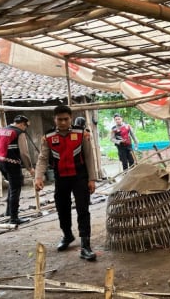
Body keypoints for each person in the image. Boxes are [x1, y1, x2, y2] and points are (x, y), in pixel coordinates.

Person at [34, 105, 97, 261]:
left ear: (71, 119)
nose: (63, 122)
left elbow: (89, 157)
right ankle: (67, 235)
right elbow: (42, 158)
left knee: (83, 209)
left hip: (80, 177)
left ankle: (85, 245)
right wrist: (38, 177)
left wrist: (91, 179)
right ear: (55, 119)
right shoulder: (48, 137)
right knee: (62, 208)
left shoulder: (82, 133)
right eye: (59, 119)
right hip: (60, 178)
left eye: (66, 119)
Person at [0, 114, 35, 224]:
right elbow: (24, 153)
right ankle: (14, 218)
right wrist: (30, 167)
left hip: (0, 161)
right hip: (11, 163)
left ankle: (9, 211)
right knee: (15, 188)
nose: (25, 129)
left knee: (12, 186)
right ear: (22, 124)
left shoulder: (0, 130)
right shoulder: (18, 132)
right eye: (25, 126)